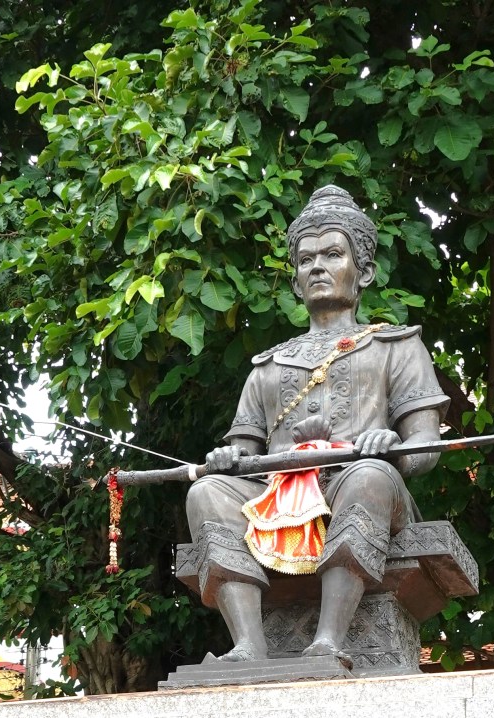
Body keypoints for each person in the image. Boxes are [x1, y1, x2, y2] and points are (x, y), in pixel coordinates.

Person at [185, 185, 448, 667]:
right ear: (294, 281)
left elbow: (426, 443)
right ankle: (249, 644)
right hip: (280, 495)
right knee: (206, 492)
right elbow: (244, 456)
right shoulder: (268, 365)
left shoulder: (396, 346)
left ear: (363, 271)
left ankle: (329, 639)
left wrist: (391, 446)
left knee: (369, 476)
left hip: (360, 482)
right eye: (306, 260)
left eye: (332, 254)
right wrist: (226, 460)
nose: (317, 267)